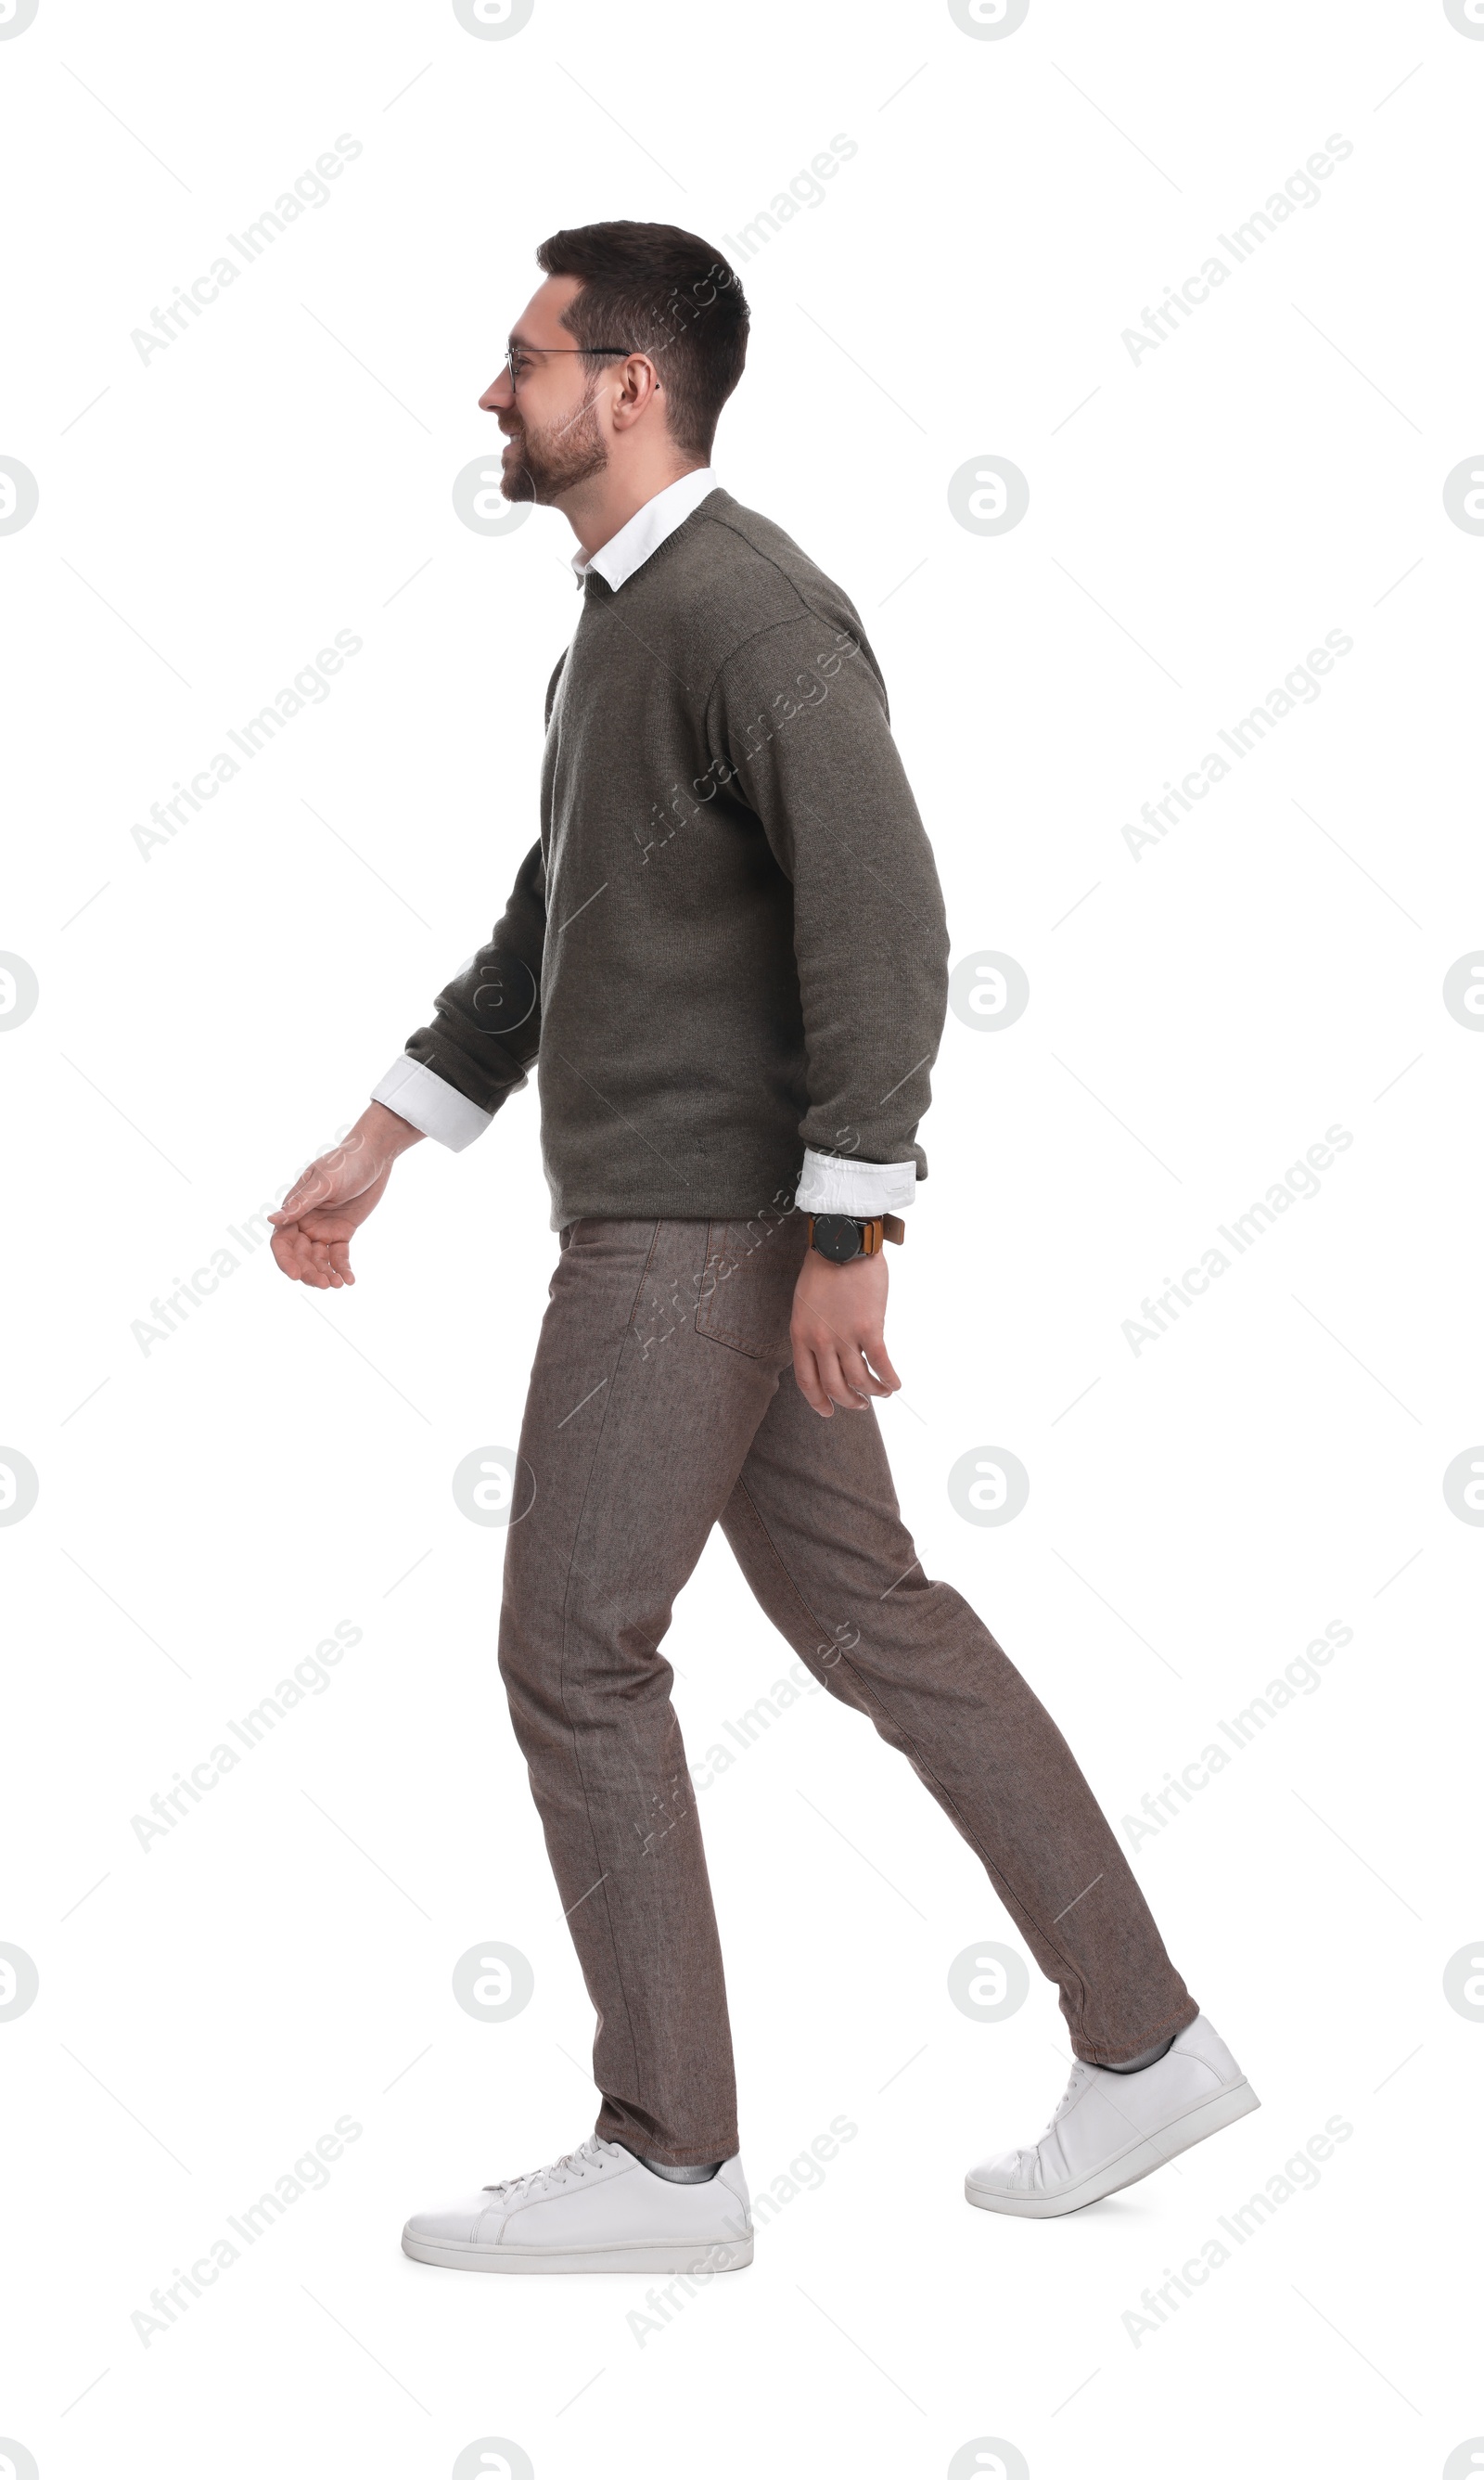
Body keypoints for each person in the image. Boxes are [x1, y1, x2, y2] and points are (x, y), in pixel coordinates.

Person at [270, 220, 1257, 2276]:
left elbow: (883, 921)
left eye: (525, 356)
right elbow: (562, 905)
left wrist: (850, 1224)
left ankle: (668, 2154)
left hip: (695, 1236)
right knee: (878, 1620)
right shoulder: (616, 624)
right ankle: (1144, 2041)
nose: (491, 390)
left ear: (628, 387)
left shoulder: (745, 605)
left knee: (572, 1648)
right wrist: (392, 1125)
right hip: (697, 1217)